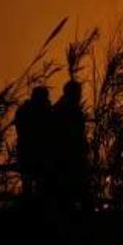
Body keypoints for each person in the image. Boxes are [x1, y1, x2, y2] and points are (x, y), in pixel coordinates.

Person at [51, 81, 90, 211]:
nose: (80, 96)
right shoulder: (70, 109)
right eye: (78, 93)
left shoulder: (58, 107)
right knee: (74, 190)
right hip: (69, 157)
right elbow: (75, 134)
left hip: (64, 157)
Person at [15, 86, 52, 200]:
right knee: (40, 186)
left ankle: (28, 209)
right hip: (38, 154)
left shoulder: (22, 110)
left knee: (27, 185)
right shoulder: (43, 111)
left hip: (25, 152)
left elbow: (19, 130)